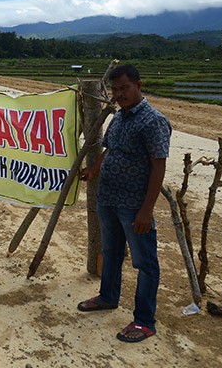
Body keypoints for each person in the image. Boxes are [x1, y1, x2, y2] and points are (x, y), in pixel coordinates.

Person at [77, 64, 172, 343]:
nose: (119, 94)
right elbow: (111, 149)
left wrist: (146, 209)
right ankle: (108, 297)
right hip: (107, 198)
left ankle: (144, 321)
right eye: (115, 89)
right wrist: (94, 170)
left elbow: (158, 166)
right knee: (111, 251)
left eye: (124, 88)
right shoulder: (119, 117)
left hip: (133, 205)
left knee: (145, 262)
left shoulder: (153, 121)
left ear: (138, 86)